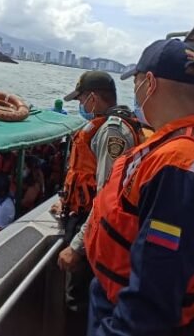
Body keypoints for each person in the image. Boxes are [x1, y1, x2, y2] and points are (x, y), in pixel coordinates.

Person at [85, 38, 194, 335]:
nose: (135, 92)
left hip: (124, 320)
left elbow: (153, 293)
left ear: (149, 84)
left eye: (136, 83)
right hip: (112, 298)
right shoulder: (176, 147)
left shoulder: (178, 167)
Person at [51, 70, 143, 317]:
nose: (81, 106)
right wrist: (67, 201)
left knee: (78, 302)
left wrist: (78, 246)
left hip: (93, 229)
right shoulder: (112, 124)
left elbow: (107, 197)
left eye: (81, 100)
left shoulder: (112, 131)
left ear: (93, 98)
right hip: (86, 219)